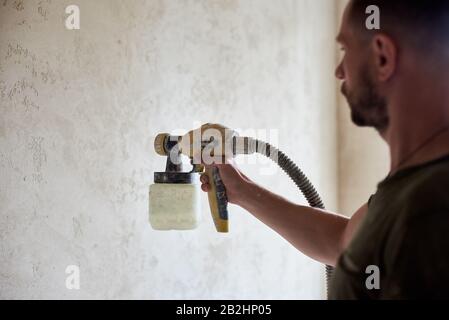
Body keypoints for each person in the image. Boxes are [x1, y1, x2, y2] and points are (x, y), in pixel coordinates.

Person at [200, 0, 449, 299]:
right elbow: (342, 241)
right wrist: (241, 190)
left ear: (382, 57)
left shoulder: (430, 207)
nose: (339, 71)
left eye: (345, 49)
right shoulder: (413, 189)